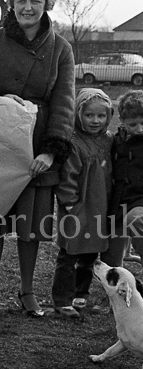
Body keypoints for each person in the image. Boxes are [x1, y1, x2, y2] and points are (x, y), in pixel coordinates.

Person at [0, 0, 74, 318]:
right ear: (11, 3)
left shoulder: (61, 48)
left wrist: (51, 150)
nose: (28, 7)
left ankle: (28, 291)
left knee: (31, 227)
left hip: (37, 147)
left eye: (35, 0)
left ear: (47, 3)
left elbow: (64, 102)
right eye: (21, 0)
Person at [50, 89, 114, 319]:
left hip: (100, 207)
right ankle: (62, 299)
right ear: (78, 114)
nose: (95, 121)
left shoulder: (109, 139)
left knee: (90, 254)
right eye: (89, 115)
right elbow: (67, 176)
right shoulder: (74, 143)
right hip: (78, 208)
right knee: (69, 254)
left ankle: (81, 294)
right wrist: (70, 204)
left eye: (101, 116)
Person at [108, 91, 143, 277]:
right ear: (121, 120)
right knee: (111, 258)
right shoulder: (116, 140)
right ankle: (117, 293)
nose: (139, 129)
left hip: (139, 200)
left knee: (137, 221)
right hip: (118, 202)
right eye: (133, 124)